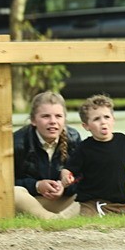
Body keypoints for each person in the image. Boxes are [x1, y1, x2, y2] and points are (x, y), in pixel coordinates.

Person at [63, 95, 125, 216]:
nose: (103, 122)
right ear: (86, 126)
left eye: (106, 117)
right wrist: (65, 177)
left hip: (118, 203)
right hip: (90, 203)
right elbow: (68, 169)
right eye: (96, 119)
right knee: (84, 216)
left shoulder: (121, 140)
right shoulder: (84, 147)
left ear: (113, 119)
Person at [13, 91, 81, 219]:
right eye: (46, 116)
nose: (53, 121)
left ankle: (59, 218)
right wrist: (37, 186)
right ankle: (51, 219)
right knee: (13, 193)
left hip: (63, 201)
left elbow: (83, 176)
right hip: (32, 201)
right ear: (33, 120)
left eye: (58, 116)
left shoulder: (73, 138)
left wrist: (64, 187)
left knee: (95, 191)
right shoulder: (18, 142)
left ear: (64, 119)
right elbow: (8, 182)